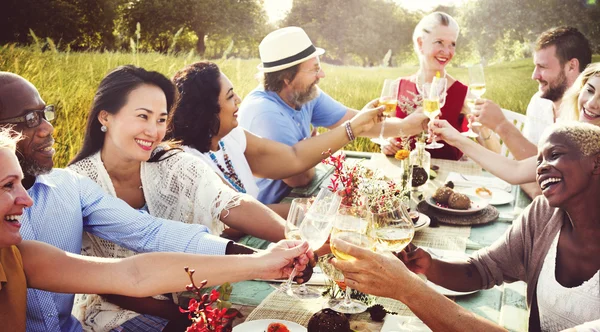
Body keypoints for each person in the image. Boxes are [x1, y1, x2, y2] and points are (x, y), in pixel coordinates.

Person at [0, 72, 311, 332]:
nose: (48, 128)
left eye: (45, 114)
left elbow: (146, 243)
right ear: (105, 117)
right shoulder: (78, 182)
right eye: (30, 119)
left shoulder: (65, 191)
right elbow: (123, 281)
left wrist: (260, 260)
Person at [332, 121, 600, 331]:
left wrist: (407, 288)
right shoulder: (543, 215)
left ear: (596, 161)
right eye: (539, 160)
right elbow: (482, 269)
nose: (541, 168)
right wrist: (430, 265)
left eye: (555, 155)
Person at [238, 26, 428, 204]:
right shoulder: (265, 112)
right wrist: (313, 149)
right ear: (286, 78)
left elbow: (356, 121)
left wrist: (409, 125)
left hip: (301, 197)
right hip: (272, 210)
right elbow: (299, 178)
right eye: (314, 69)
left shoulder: (305, 94)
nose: (322, 75)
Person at [168, 61, 382, 215]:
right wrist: (321, 209)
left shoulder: (230, 138)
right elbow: (237, 221)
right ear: (207, 110)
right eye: (230, 96)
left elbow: (293, 158)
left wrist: (354, 126)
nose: (239, 100)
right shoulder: (189, 162)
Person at [468, 27, 591, 197]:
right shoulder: (538, 102)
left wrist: (502, 125)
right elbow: (525, 166)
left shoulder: (588, 116)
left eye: (542, 67)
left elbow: (552, 181)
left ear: (571, 66)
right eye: (535, 66)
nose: (534, 75)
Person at [430, 62, 600, 186]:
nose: (592, 103)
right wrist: (455, 138)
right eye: (590, 90)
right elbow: (515, 171)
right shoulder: (573, 140)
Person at [382, 12, 477, 160]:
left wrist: (484, 130)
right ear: (420, 43)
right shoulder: (397, 86)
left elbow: (493, 150)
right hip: (404, 174)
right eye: (439, 42)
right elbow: (385, 131)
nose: (447, 52)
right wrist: (387, 143)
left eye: (452, 44)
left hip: (448, 179)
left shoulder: (463, 94)